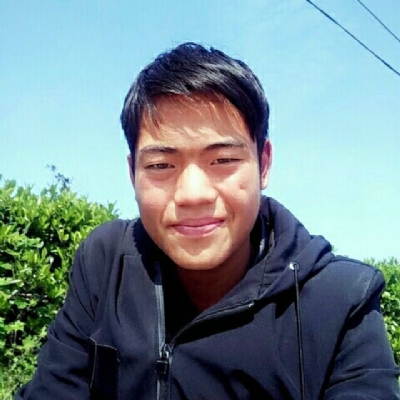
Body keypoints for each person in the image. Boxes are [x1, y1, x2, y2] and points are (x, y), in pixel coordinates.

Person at [15, 42, 399, 400]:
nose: (192, 194)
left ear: (264, 164)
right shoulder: (105, 263)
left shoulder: (342, 300)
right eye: (161, 165)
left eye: (223, 160)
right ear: (133, 173)